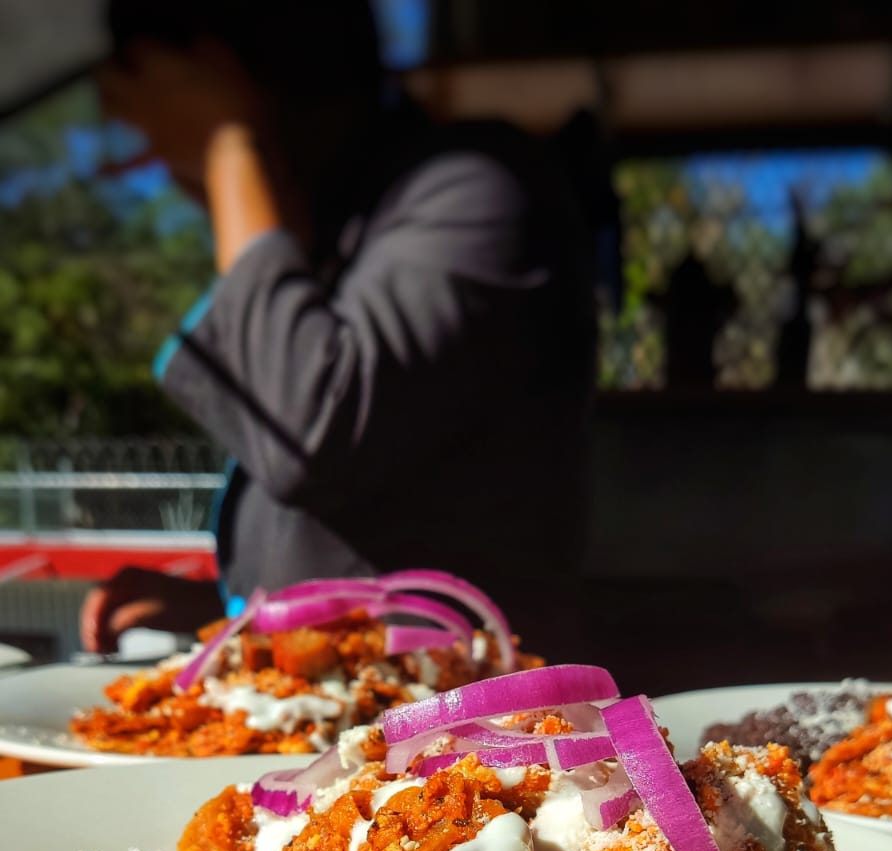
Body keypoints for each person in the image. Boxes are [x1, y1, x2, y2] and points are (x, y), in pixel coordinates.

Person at [81, 0, 597, 655]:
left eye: (165, 125)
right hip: (343, 703)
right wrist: (230, 611)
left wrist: (229, 146)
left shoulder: (477, 186)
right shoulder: (335, 240)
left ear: (223, 71)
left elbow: (310, 426)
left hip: (457, 711)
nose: (156, 162)